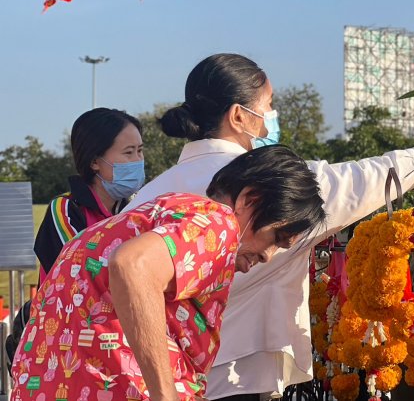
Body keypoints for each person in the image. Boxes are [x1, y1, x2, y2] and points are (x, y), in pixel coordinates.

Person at [128, 53, 414, 400]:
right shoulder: (273, 188)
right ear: (239, 116)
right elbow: (377, 175)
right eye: (268, 104)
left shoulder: (146, 195)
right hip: (225, 377)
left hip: (141, 374)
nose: (271, 115)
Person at [10, 146, 327, 401]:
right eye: (275, 238)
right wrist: (166, 394)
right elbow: (132, 267)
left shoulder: (155, 215)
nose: (267, 256)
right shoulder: (217, 223)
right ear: (250, 200)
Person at [35, 107, 145, 282]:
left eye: (140, 150)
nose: (138, 160)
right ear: (94, 162)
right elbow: (79, 270)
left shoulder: (139, 207)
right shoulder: (66, 209)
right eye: (128, 152)